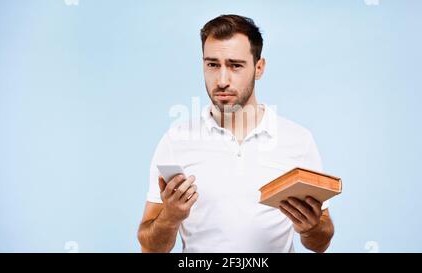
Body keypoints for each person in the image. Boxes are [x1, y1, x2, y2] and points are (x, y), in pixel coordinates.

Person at [137, 14, 334, 253]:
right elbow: (150, 248)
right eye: (212, 64)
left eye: (235, 65)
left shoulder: (298, 140)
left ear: (259, 68)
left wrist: (310, 228)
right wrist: (170, 217)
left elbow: (321, 242)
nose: (221, 80)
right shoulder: (176, 141)